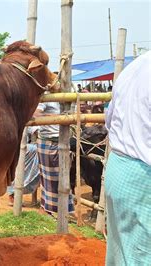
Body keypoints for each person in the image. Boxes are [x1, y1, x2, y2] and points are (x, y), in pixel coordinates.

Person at [104, 51, 150, 265]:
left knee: (121, 253)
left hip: (119, 168)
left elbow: (109, 120)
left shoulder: (135, 66)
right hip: (144, 177)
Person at [34, 101, 74, 215]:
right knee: (51, 178)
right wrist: (53, 117)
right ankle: (50, 209)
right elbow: (35, 113)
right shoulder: (47, 98)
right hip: (49, 142)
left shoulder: (66, 99)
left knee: (63, 177)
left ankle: (57, 208)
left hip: (64, 141)